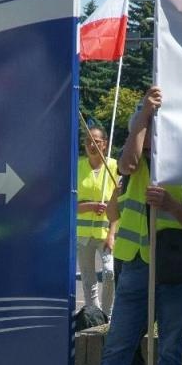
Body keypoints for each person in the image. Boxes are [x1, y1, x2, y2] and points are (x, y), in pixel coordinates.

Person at [71, 86, 182, 365]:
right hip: (134, 266)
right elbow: (129, 163)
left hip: (174, 268)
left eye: (152, 126)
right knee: (119, 345)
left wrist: (172, 206)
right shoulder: (134, 160)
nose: (147, 135)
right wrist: (143, 116)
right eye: (142, 125)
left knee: (170, 347)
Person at [75, 123, 118, 316]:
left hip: (106, 233)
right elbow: (71, 204)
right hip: (83, 234)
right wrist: (91, 206)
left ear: (104, 144)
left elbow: (118, 202)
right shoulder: (77, 167)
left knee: (109, 272)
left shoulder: (114, 166)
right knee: (88, 278)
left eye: (96, 141)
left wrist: (112, 234)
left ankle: (107, 314)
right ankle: (93, 313)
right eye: (88, 141)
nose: (92, 145)